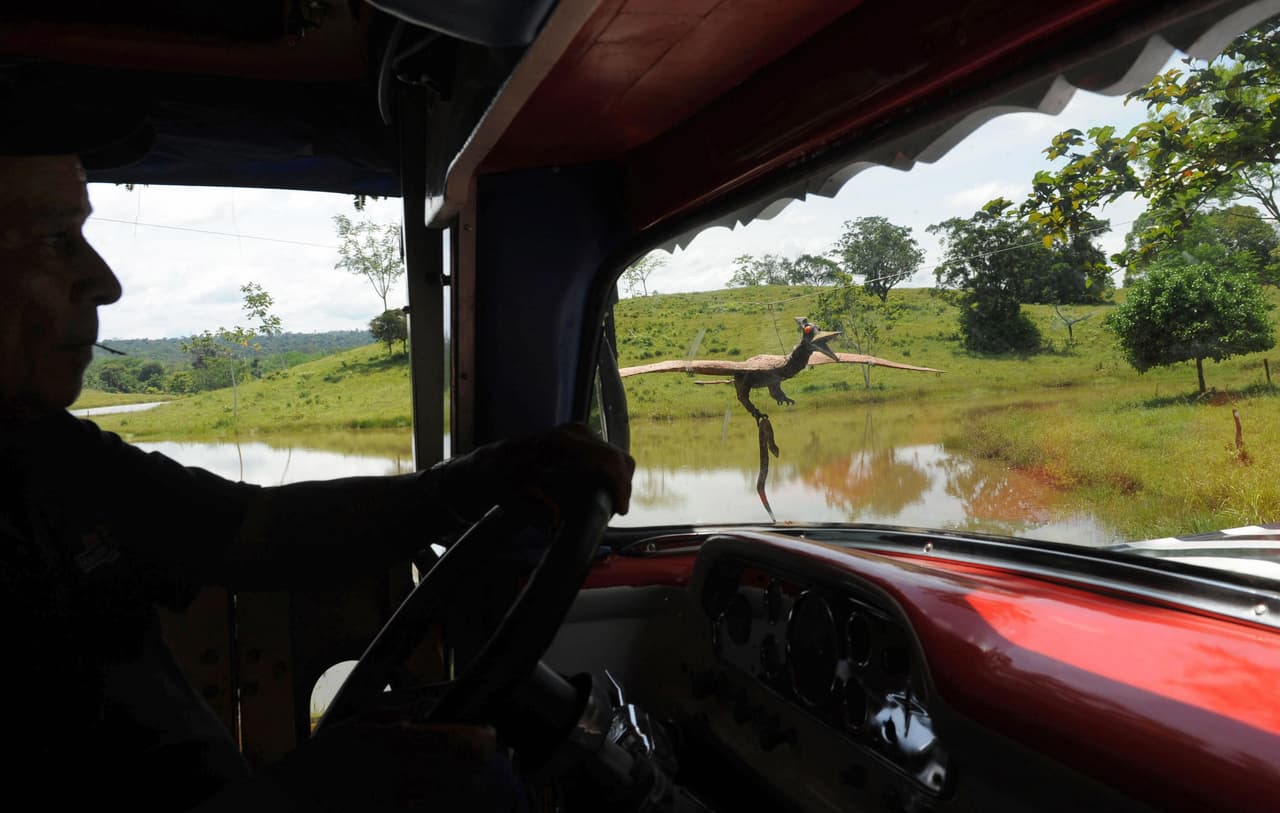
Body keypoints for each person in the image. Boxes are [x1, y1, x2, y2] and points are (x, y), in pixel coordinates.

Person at [0, 152, 635, 811]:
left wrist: (474, 480)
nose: (104, 283)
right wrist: (314, 791)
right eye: (54, 239)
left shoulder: (48, 448)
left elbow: (257, 530)